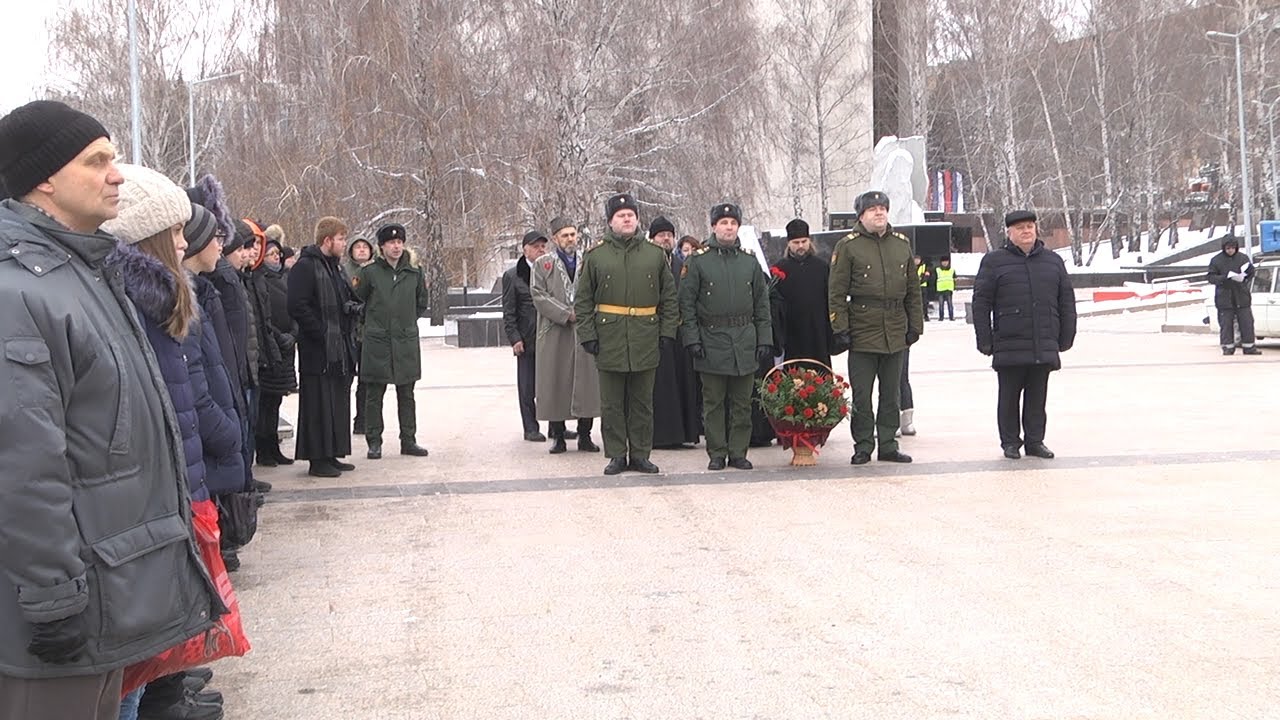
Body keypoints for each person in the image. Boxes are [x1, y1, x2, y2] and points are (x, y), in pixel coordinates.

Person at [0, 100, 218, 720]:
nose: (117, 174)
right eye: (97, 161)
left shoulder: (84, 272)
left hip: (106, 589)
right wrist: (52, 598)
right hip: (58, 610)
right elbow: (23, 466)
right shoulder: (18, 290)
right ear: (44, 178)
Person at [101, 165, 230, 720]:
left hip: (166, 494)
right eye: (177, 231)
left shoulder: (158, 300)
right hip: (143, 505)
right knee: (131, 668)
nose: (189, 240)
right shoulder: (133, 305)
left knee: (148, 650)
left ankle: (166, 694)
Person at [575, 194, 679, 474]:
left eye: (631, 214)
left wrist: (667, 332)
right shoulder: (596, 255)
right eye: (620, 215)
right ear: (610, 221)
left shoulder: (655, 254)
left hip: (646, 337)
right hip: (609, 338)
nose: (627, 219)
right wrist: (588, 334)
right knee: (612, 403)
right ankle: (617, 454)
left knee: (642, 402)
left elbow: (669, 298)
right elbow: (582, 300)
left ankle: (641, 454)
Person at [971, 210, 1078, 460]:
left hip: (1044, 340)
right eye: (1020, 228)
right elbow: (981, 302)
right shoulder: (994, 261)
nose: (1026, 231)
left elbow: (1066, 300)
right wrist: (984, 338)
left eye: (1030, 226)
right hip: (1009, 341)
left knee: (1037, 396)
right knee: (1008, 397)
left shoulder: (1052, 261)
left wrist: (1066, 335)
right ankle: (1010, 442)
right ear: (1009, 233)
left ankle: (1035, 441)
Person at [828, 190, 922, 465]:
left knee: (891, 392)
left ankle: (889, 443)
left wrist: (915, 325)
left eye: (883, 208)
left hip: (895, 328)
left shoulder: (901, 244)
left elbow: (913, 291)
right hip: (862, 328)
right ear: (861, 215)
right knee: (862, 394)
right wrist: (840, 328)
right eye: (873, 209)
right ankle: (864, 445)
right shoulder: (848, 245)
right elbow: (836, 291)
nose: (879, 213)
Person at [679, 202, 773, 471]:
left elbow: (761, 304)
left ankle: (738, 452)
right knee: (714, 402)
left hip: (744, 340)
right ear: (713, 227)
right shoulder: (698, 261)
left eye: (733, 223)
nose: (729, 227)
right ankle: (717, 452)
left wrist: (764, 338)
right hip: (711, 340)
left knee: (742, 403)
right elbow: (686, 303)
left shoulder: (749, 261)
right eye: (723, 223)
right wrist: (692, 339)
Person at [288, 216, 360, 477]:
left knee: (336, 403)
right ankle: (317, 459)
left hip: (339, 349)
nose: (344, 243)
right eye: (341, 239)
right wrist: (319, 332)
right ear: (327, 240)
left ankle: (332, 453)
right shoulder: (306, 267)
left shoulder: (336, 268)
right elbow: (297, 305)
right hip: (317, 350)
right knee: (318, 405)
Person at [352, 223, 431, 459]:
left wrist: (404, 323)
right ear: (382, 247)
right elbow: (357, 301)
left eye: (399, 242)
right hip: (377, 341)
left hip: (405, 341)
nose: (396, 246)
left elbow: (420, 303)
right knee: (374, 393)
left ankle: (409, 440)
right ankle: (374, 441)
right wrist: (373, 325)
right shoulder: (369, 273)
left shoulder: (415, 272)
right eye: (391, 243)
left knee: (406, 393)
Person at [533, 216, 601, 454]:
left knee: (587, 383)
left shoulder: (588, 261)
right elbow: (538, 295)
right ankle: (558, 436)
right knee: (556, 381)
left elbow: (598, 290)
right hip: (555, 332)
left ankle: (585, 435)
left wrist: (585, 314)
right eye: (565, 235)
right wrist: (564, 313)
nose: (570, 239)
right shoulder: (543, 264)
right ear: (555, 239)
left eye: (573, 234)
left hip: (584, 329)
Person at [647, 216, 701, 449]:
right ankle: (660, 434)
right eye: (661, 235)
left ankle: (684, 432)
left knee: (682, 382)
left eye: (669, 234)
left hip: (679, 334)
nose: (666, 238)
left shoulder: (682, 266)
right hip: (654, 333)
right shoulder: (647, 263)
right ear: (652, 239)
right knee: (660, 385)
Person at [249, 224, 298, 467]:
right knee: (266, 402)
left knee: (277, 400)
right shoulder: (260, 280)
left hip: (287, 348)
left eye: (278, 254)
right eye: (271, 254)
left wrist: (293, 334)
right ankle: (264, 447)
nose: (275, 258)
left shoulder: (285, 278)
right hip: (271, 346)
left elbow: (295, 309)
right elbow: (262, 317)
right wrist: (279, 336)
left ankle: (274, 446)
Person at [768, 218, 833, 370]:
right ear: (788, 243)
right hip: (792, 333)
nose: (801, 246)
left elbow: (829, 299)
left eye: (804, 241)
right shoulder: (779, 269)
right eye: (796, 242)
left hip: (818, 332)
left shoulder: (821, 267)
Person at [503, 230, 548, 441]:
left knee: (552, 383)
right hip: (527, 339)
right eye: (536, 246)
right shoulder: (513, 276)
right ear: (525, 249)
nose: (541, 250)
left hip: (549, 337)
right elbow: (509, 312)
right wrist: (515, 338)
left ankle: (558, 425)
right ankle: (530, 427)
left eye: (543, 246)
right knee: (527, 386)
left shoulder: (549, 271)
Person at [1207, 235, 1262, 356]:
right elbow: (1210, 277)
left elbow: (1251, 272)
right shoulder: (1216, 260)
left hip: (1241, 296)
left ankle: (1249, 346)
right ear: (1224, 248)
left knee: (1247, 322)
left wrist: (1245, 276)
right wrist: (1224, 278)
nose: (1230, 250)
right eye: (1228, 248)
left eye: (1232, 248)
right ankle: (1227, 347)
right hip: (1224, 298)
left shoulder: (1243, 258)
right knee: (1226, 324)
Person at [345, 236, 376, 433]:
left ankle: (362, 420)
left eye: (365, 247)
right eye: (358, 247)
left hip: (368, 335)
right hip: (349, 333)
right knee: (346, 379)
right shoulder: (344, 270)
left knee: (366, 380)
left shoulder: (374, 272)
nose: (362, 250)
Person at [935, 256, 956, 321]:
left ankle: (951, 317)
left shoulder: (952, 270)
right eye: (943, 261)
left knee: (950, 304)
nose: (945, 263)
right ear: (941, 262)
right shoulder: (937, 270)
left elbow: (954, 279)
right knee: (941, 305)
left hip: (948, 289)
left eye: (946, 261)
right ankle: (941, 317)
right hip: (940, 290)